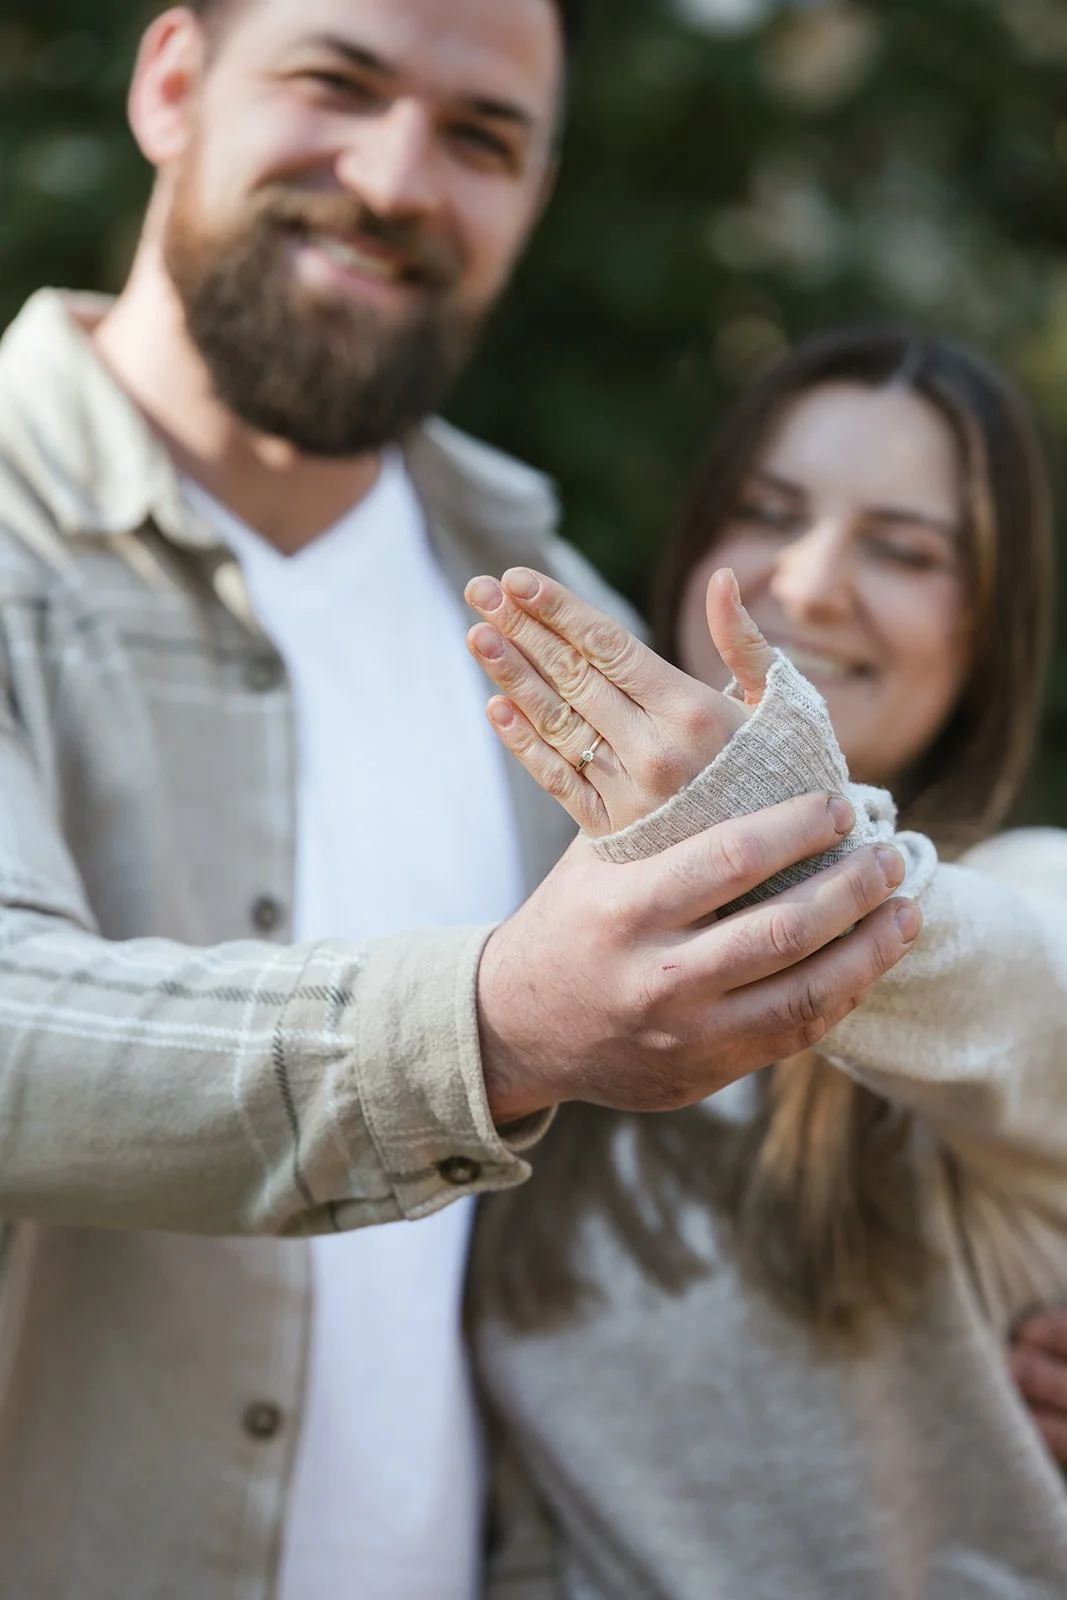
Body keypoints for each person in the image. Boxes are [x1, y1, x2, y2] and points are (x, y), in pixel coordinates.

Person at [0, 4, 919, 1595]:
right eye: (334, 84)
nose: (395, 178)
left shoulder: (546, 616)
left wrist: (994, 1306)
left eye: (479, 137)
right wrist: (490, 1032)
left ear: (534, 193)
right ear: (170, 83)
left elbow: (713, 1175)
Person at [465, 327, 1067, 1596]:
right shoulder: (548, 955)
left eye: (903, 550)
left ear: (986, 628)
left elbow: (1016, 985)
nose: (811, 579)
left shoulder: (1019, 891)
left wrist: (767, 816)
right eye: (767, 511)